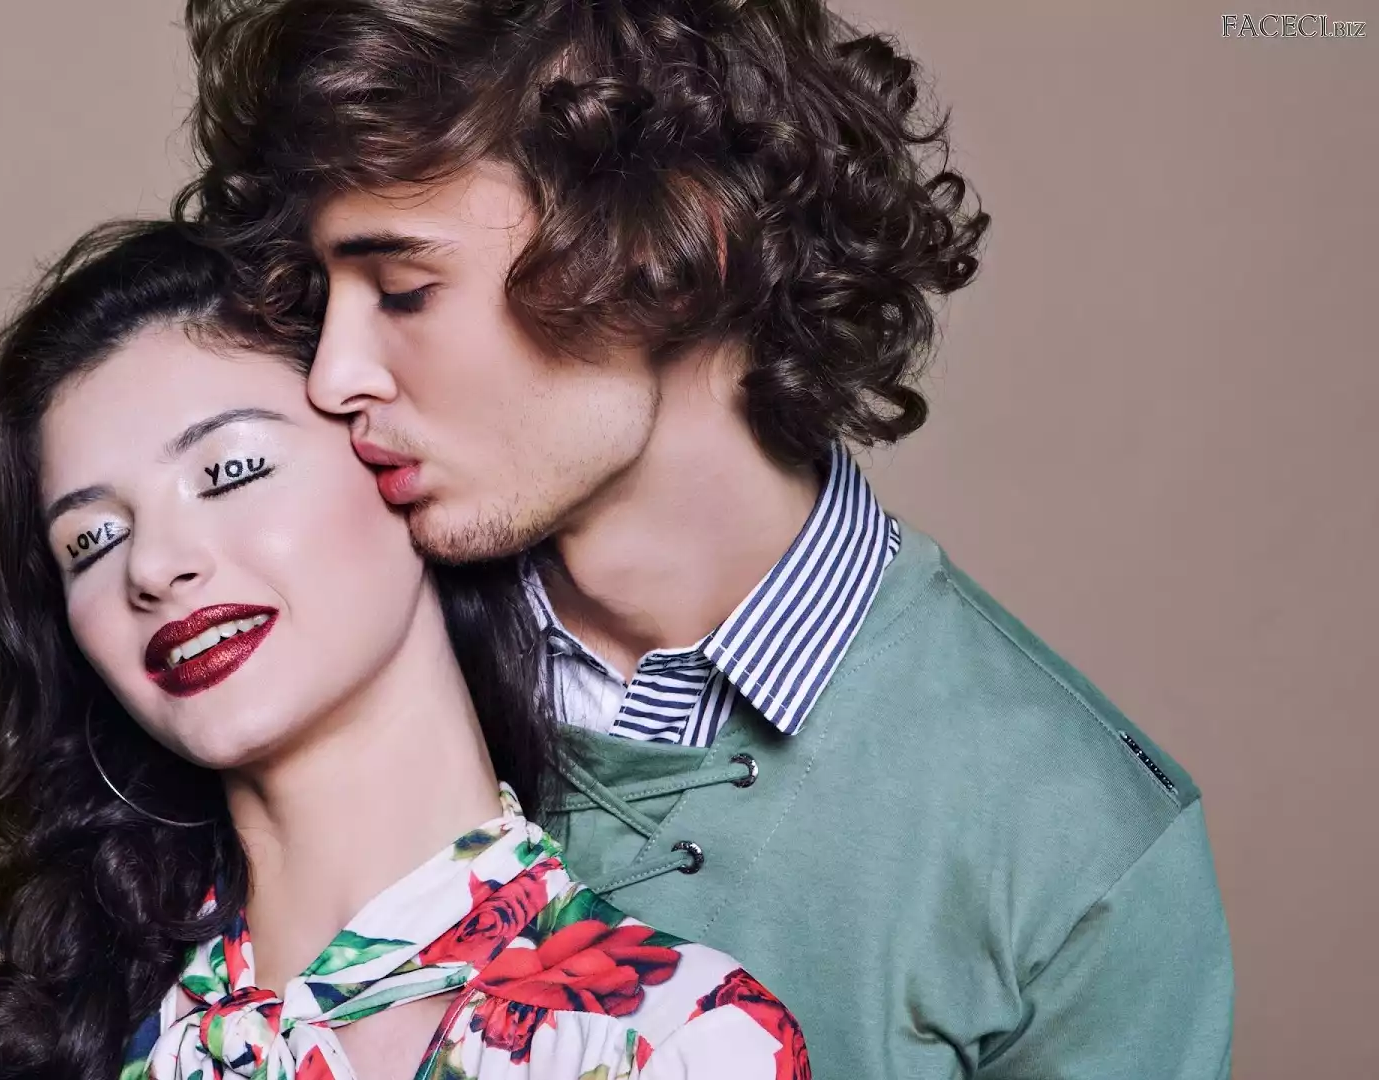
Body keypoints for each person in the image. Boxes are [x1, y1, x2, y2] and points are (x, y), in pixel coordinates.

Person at [179, 1, 1235, 1077]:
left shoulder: (1080, 846)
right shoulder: (305, 657)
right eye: (323, 299)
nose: (333, 374)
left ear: (677, 248)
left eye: (404, 290)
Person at [0, 220, 810, 1080]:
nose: (155, 566)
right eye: (90, 539)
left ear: (399, 464)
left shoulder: (671, 1041)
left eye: (230, 469)